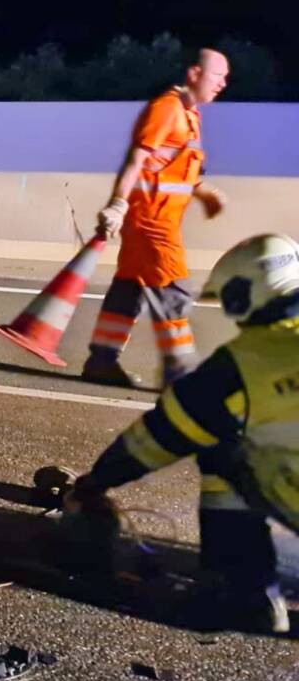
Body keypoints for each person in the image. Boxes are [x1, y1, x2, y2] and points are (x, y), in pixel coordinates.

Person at [67, 234, 299, 635]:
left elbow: (161, 435)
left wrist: (98, 481)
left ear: (247, 294)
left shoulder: (241, 366)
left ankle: (244, 593)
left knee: (224, 457)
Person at [84, 49, 230, 389]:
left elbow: (173, 170)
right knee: (174, 289)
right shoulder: (166, 109)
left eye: (225, 78)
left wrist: (204, 193)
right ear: (194, 74)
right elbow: (136, 161)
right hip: (152, 223)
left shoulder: (190, 115)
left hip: (156, 221)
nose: (223, 84)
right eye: (217, 75)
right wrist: (117, 204)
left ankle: (102, 362)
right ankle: (179, 373)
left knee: (129, 289)